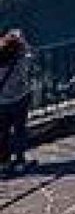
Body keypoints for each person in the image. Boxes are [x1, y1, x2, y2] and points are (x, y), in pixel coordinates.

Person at [0, 30, 34, 174]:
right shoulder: (21, 62)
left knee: (2, 133)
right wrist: (21, 40)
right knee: (20, 131)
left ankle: (3, 162)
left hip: (1, 102)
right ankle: (20, 161)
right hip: (20, 99)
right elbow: (29, 54)